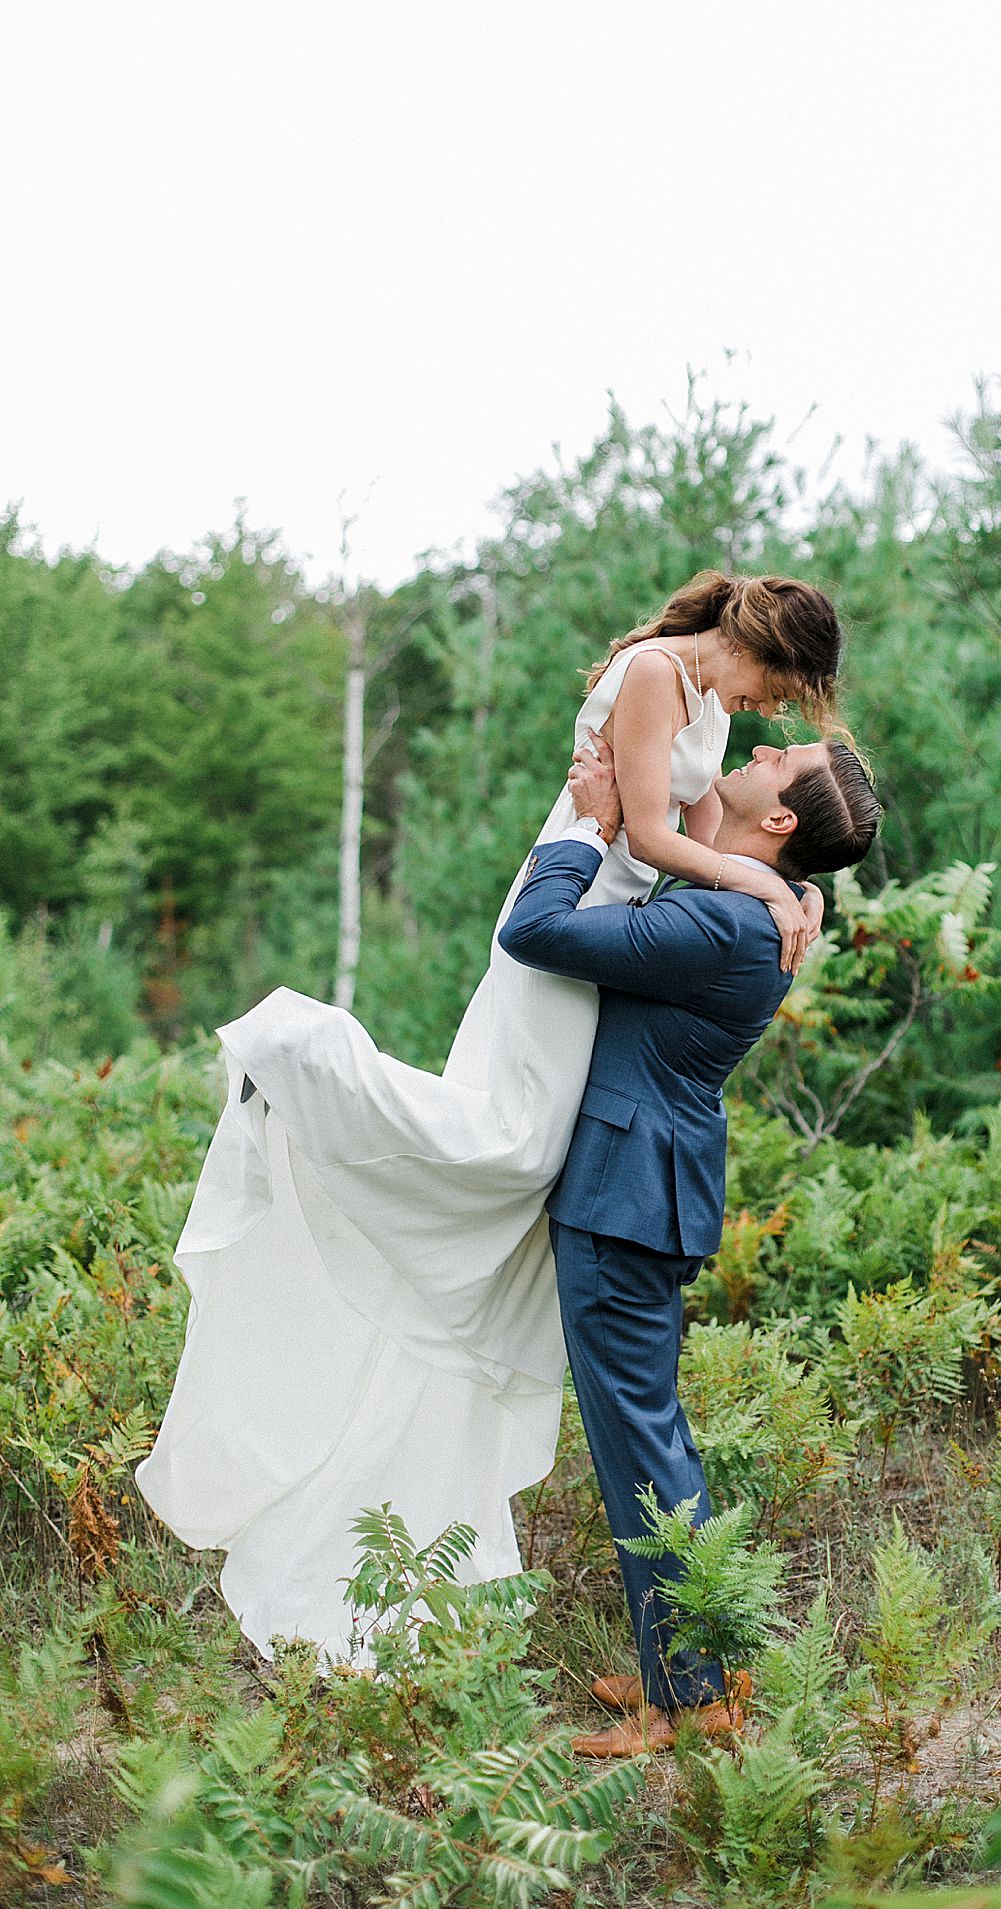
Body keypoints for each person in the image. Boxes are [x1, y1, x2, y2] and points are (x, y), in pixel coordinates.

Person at [135, 570, 844, 1663]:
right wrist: (766, 887)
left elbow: (713, 840)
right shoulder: (657, 676)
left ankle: (691, 1674)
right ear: (757, 644)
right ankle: (303, 1059)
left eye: (783, 731)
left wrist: (790, 885)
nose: (769, 720)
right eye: (781, 694)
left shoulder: (704, 708)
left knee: (525, 1157)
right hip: (574, 900)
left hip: (608, 919)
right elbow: (660, 841)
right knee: (512, 1138)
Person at [497, 721, 883, 1756]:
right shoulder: (757, 904)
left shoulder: (723, 924)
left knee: (639, 1444)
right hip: (646, 1193)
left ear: (780, 819)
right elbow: (732, 829)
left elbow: (533, 930)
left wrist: (587, 827)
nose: (759, 752)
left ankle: (690, 1699)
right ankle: (696, 1664)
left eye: (778, 763)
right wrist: (786, 880)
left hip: (622, 1200)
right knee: (650, 1436)